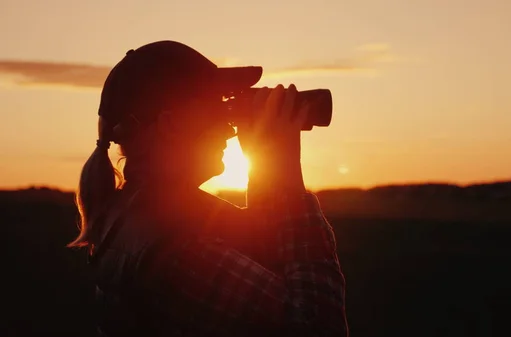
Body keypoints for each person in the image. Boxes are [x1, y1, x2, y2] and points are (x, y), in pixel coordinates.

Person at [67, 40, 348, 336]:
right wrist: (287, 179)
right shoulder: (177, 251)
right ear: (173, 123)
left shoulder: (134, 214)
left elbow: (268, 254)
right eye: (217, 106)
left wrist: (269, 166)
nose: (230, 127)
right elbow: (317, 326)